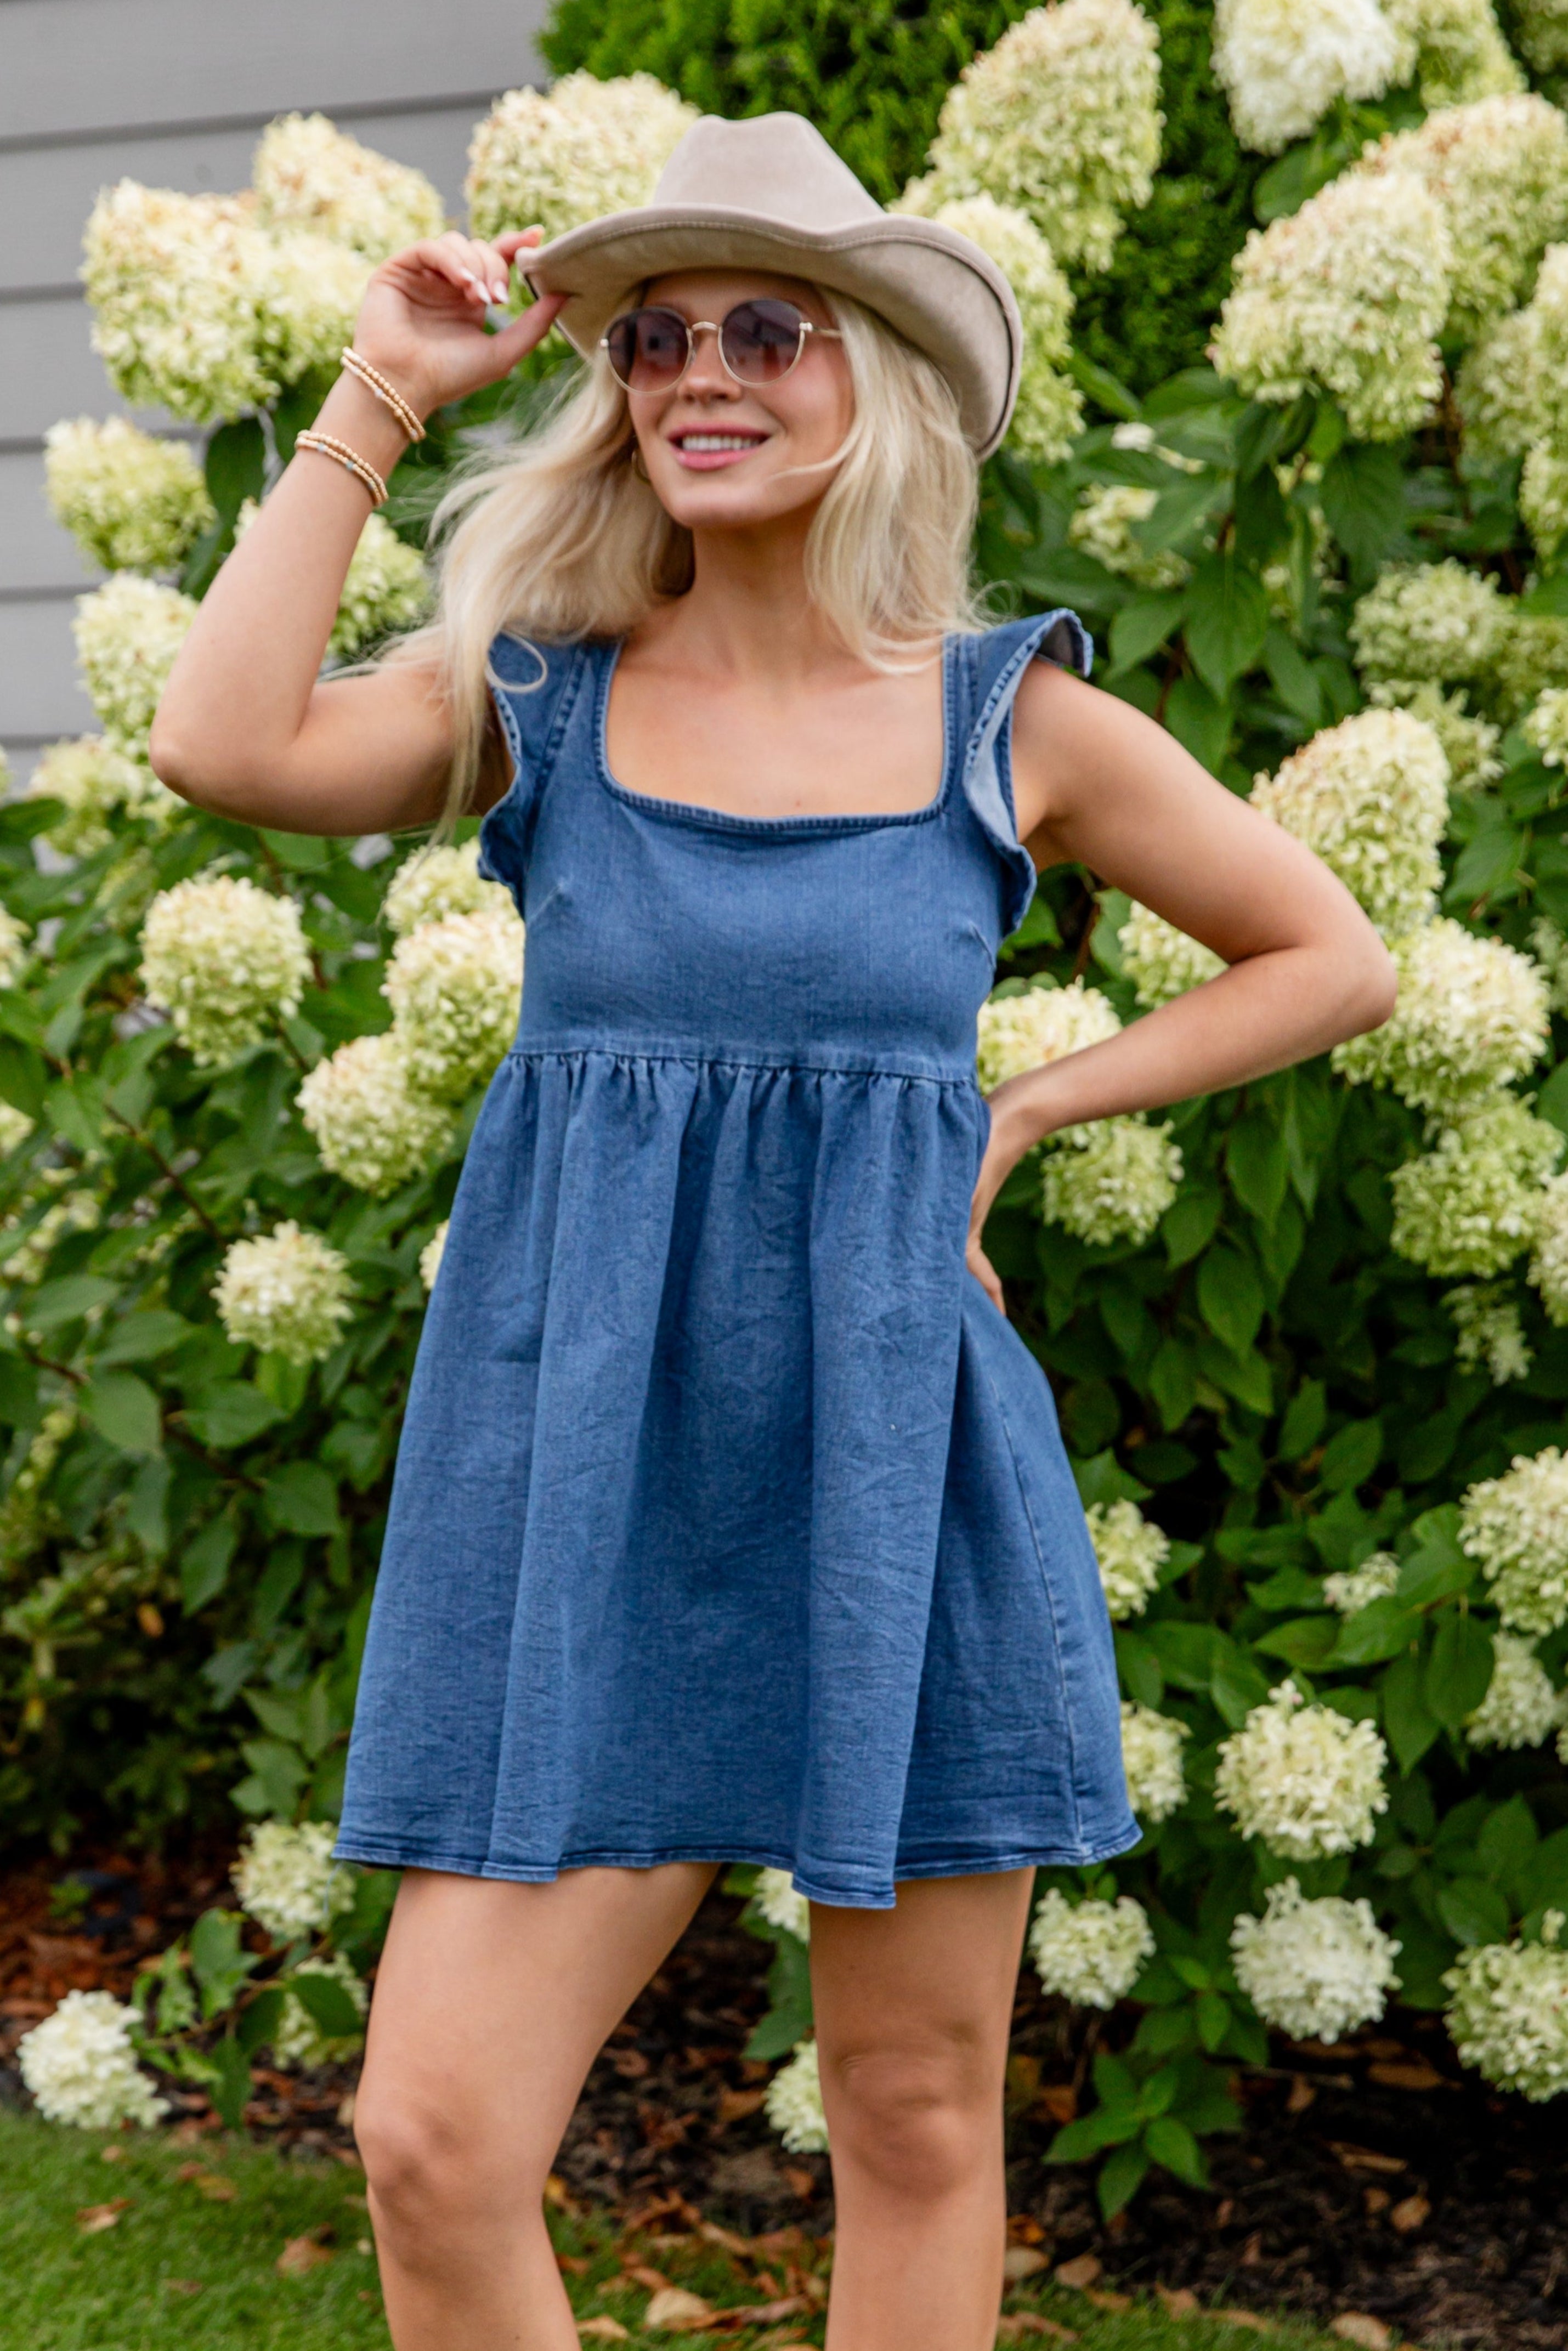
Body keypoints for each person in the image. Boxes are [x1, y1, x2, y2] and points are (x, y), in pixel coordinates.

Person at [150, 109, 1395, 2351]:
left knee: (914, 2111)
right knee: (432, 2133)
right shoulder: (545, 691)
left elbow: (1329, 957)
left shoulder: (1014, 723)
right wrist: (376, 394)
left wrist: (1020, 1116)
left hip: (894, 1471)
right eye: (649, 340)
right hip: (581, 1481)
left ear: (876, 381)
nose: (697, 372)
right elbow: (220, 744)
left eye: (762, 330)